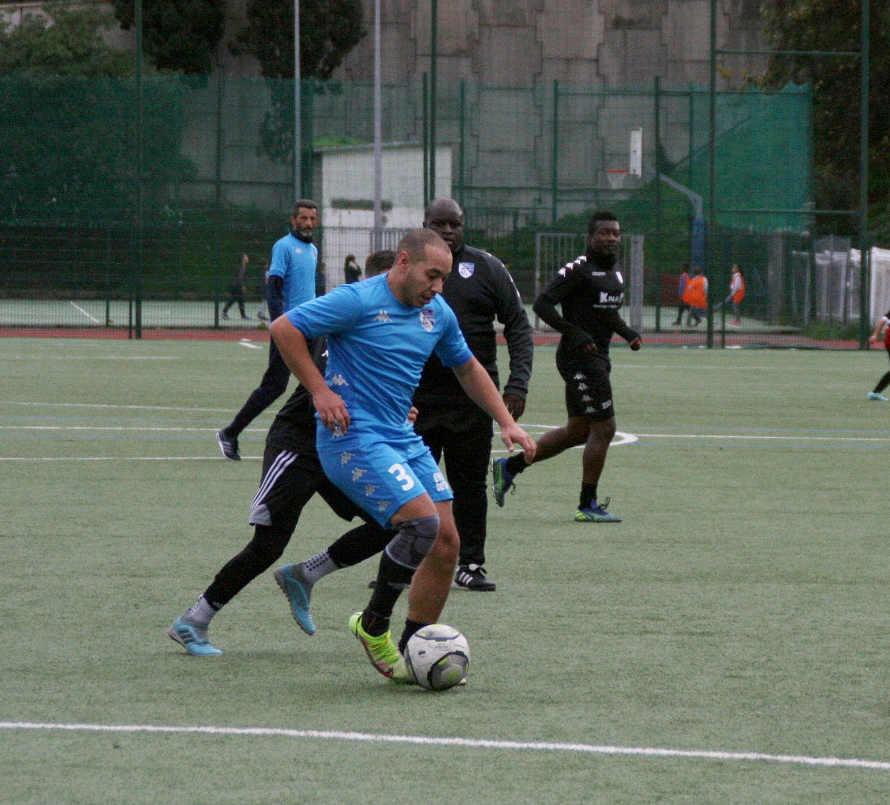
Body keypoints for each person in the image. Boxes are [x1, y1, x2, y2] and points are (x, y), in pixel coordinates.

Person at [272, 229, 535, 684]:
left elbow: (468, 366)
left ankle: (416, 648)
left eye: (444, 279)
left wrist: (505, 422)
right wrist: (320, 391)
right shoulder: (358, 300)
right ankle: (373, 625)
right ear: (404, 262)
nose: (437, 287)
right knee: (421, 523)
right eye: (432, 275)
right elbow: (284, 328)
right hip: (352, 438)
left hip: (399, 436)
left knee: (448, 541)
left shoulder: (437, 310)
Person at [169, 251, 400, 657]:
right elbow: (330, 389)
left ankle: (305, 575)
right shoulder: (349, 322)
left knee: (393, 521)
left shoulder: (397, 330)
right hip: (300, 444)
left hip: (341, 446)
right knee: (267, 545)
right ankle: (193, 621)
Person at [412, 197, 533, 592]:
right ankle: (408, 556)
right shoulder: (411, 269)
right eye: (439, 224)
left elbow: (518, 324)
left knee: (468, 486)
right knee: (412, 485)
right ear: (425, 224)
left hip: (472, 402)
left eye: (455, 224)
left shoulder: (487, 268)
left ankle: (471, 563)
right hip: (416, 401)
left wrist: (517, 384)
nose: (448, 231)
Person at [492, 210, 642, 523]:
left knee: (578, 431)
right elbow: (542, 304)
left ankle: (511, 467)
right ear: (590, 238)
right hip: (578, 358)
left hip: (598, 357)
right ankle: (587, 505)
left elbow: (608, 314)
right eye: (604, 233)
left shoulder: (615, 273)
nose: (611, 238)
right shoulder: (577, 270)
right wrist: (574, 331)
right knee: (605, 428)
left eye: (615, 233)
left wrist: (628, 333)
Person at [218, 201, 321, 461]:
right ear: (293, 219)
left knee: (319, 382)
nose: (308, 223)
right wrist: (279, 326)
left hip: (311, 328)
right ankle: (230, 433)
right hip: (289, 330)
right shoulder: (284, 246)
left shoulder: (313, 250)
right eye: (303, 218)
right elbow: (274, 290)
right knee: (275, 386)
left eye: (312, 218)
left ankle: (313, 442)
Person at [221, 253, 251, 320]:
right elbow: (240, 277)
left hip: (234, 285)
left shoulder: (241, 266)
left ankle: (225, 313)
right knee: (238, 300)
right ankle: (224, 312)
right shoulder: (242, 267)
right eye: (246, 256)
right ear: (243, 259)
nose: (247, 258)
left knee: (236, 299)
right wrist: (242, 285)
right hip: (236, 286)